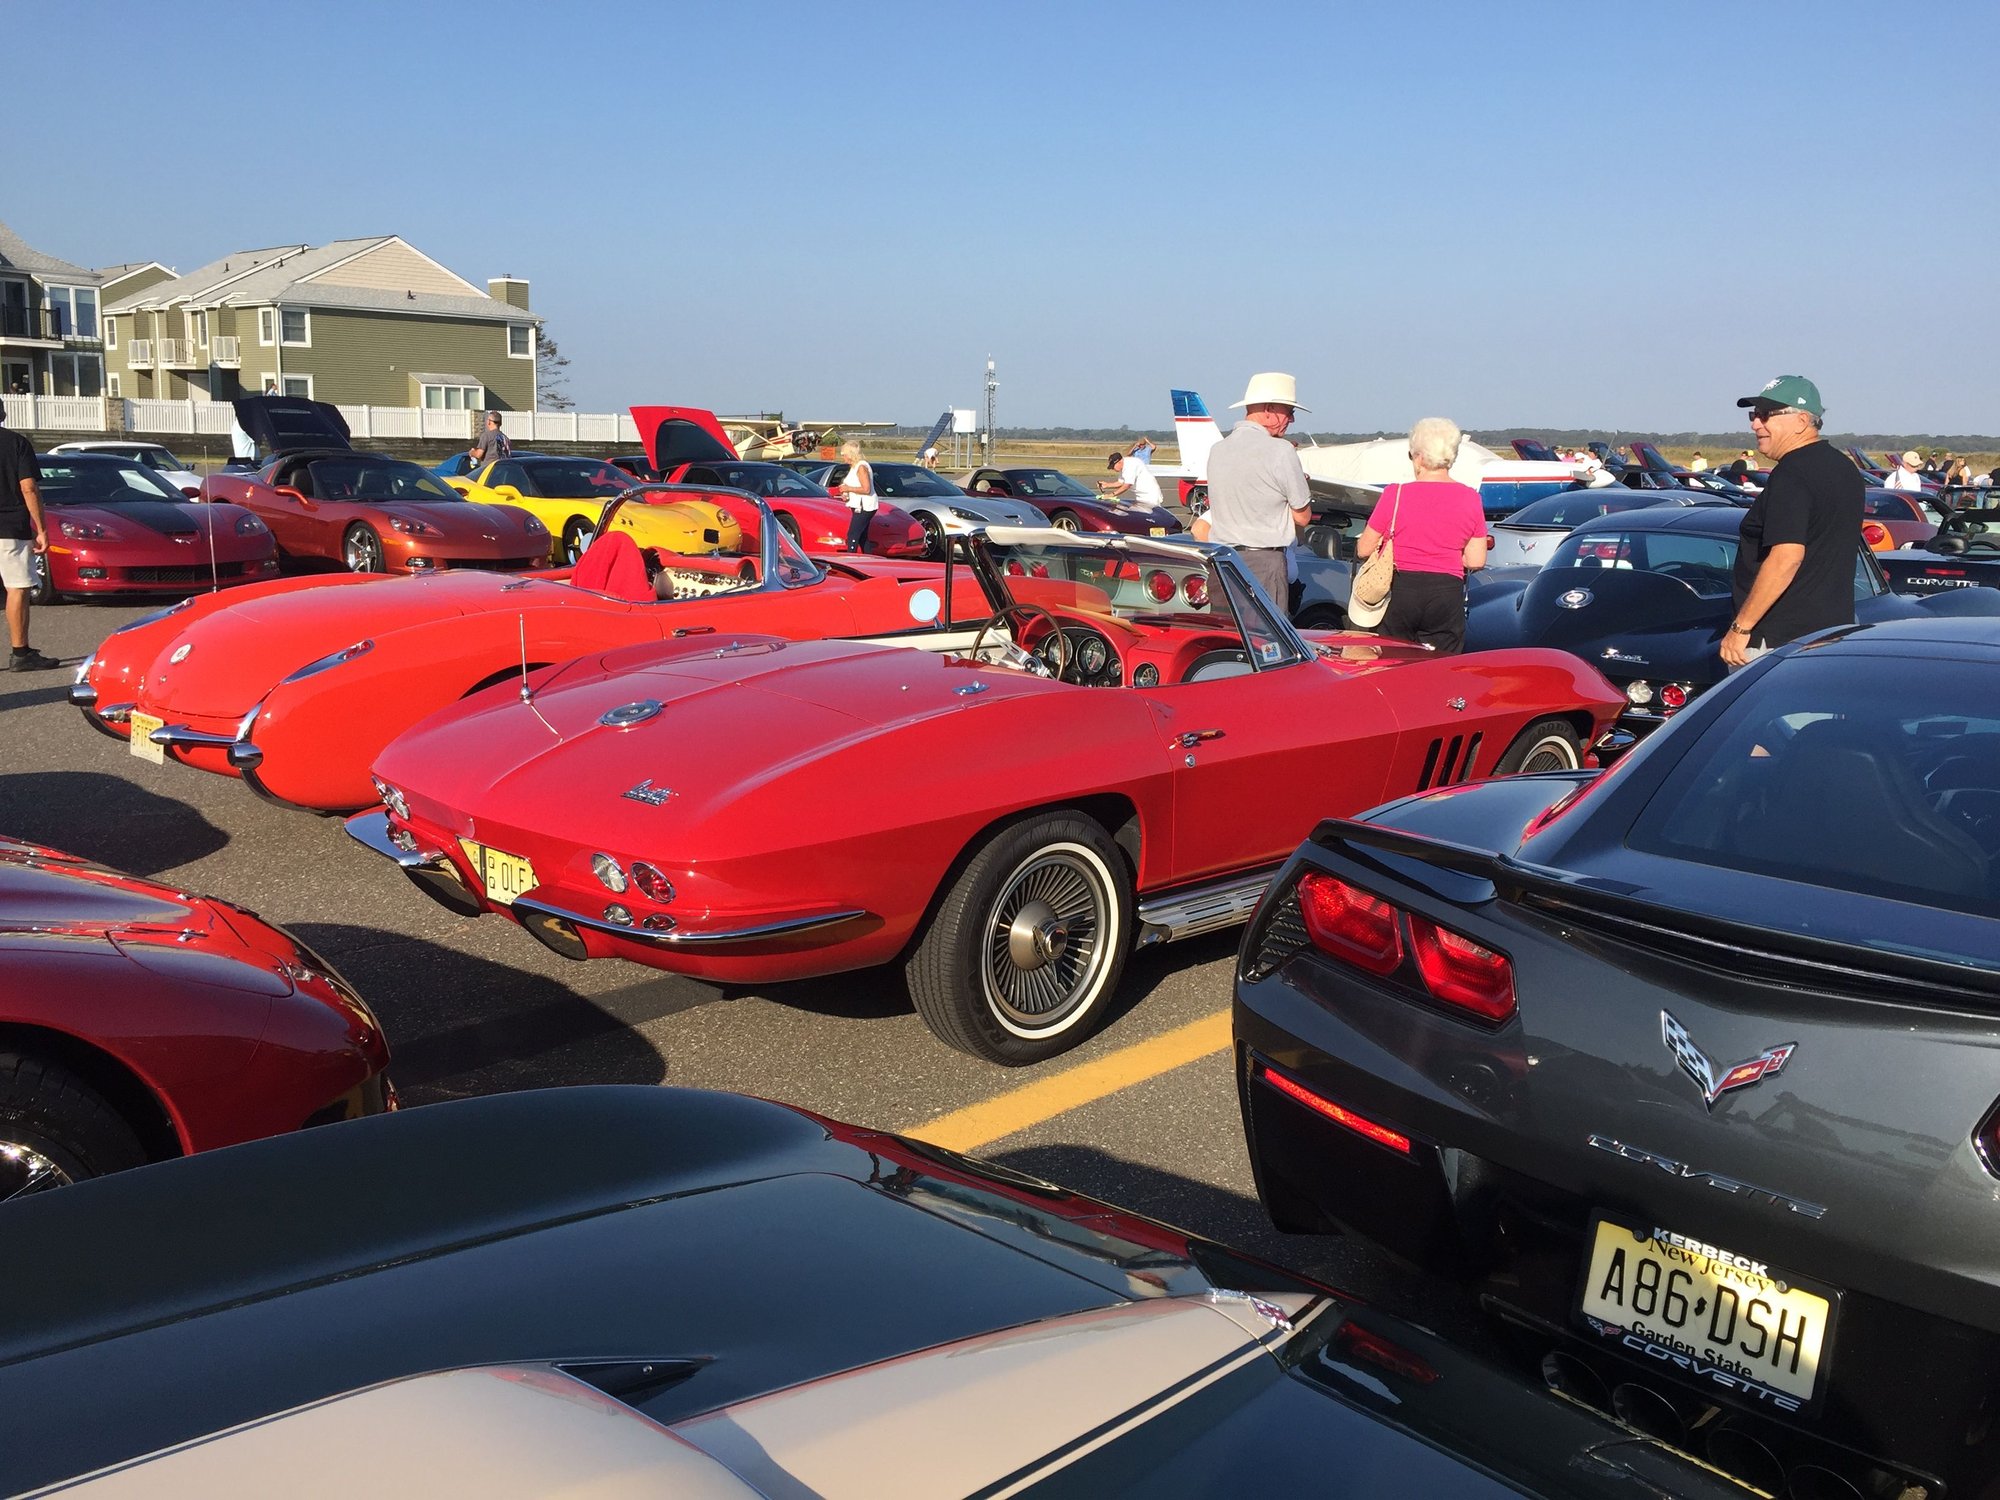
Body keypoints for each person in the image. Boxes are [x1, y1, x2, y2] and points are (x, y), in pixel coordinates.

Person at [1724, 376, 1863, 670]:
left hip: (1778, 643)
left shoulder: (1792, 473)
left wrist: (1740, 629)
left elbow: (1787, 557)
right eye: (1753, 415)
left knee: (1757, 718)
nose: (1754, 424)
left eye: (1765, 415)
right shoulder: (1844, 468)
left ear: (1801, 421)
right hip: (1831, 634)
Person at [1354, 417, 1488, 654]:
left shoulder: (1395, 495)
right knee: (1441, 667)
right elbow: (1476, 561)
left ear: (1419, 457)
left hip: (1400, 590)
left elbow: (1363, 549)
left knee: (1394, 665)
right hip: (1446, 592)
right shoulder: (1470, 498)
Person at [1202, 372, 1311, 604]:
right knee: (1266, 638)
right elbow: (1302, 517)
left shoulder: (1217, 450)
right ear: (1270, 410)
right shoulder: (1281, 450)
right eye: (1289, 412)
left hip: (1222, 561)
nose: (1291, 419)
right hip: (1264, 563)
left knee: (1226, 636)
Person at [0, 405, 57, 671]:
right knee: (17, 588)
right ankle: (20, 653)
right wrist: (41, 529)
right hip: (10, 527)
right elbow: (28, 487)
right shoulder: (16, 443)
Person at [837, 439, 876, 552]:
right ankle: (869, 559)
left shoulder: (861, 467)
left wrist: (848, 488)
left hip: (864, 506)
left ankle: (851, 558)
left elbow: (866, 489)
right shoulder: (854, 467)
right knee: (863, 537)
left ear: (851, 455)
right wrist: (846, 493)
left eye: (844, 455)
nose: (843, 458)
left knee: (852, 535)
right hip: (858, 504)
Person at [1099, 446, 1163, 511]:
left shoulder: (1130, 465)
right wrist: (1107, 485)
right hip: (1140, 496)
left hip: (1150, 495)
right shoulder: (1123, 467)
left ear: (1119, 462)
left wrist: (1112, 495)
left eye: (1113, 467)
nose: (1112, 469)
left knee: (1149, 517)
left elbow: (1127, 485)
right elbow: (1121, 482)